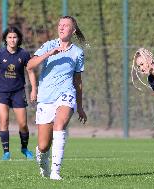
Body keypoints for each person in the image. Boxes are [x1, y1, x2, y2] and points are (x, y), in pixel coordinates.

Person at [27, 16, 87, 180]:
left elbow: (78, 82)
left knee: (59, 125)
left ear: (73, 31)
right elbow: (30, 66)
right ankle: (43, 162)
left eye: (66, 25)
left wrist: (80, 106)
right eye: (60, 24)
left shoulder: (78, 53)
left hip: (66, 94)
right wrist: (49, 53)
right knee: (43, 146)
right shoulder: (49, 45)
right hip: (46, 98)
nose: (61, 28)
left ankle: (55, 172)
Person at [0, 26, 37, 160]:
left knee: (23, 124)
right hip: (1, 91)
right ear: (5, 39)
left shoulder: (24, 54)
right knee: (4, 120)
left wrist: (34, 89)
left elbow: (30, 72)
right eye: (10, 37)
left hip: (18, 92)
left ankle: (24, 148)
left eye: (15, 37)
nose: (12, 40)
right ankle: (6, 152)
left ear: (18, 39)